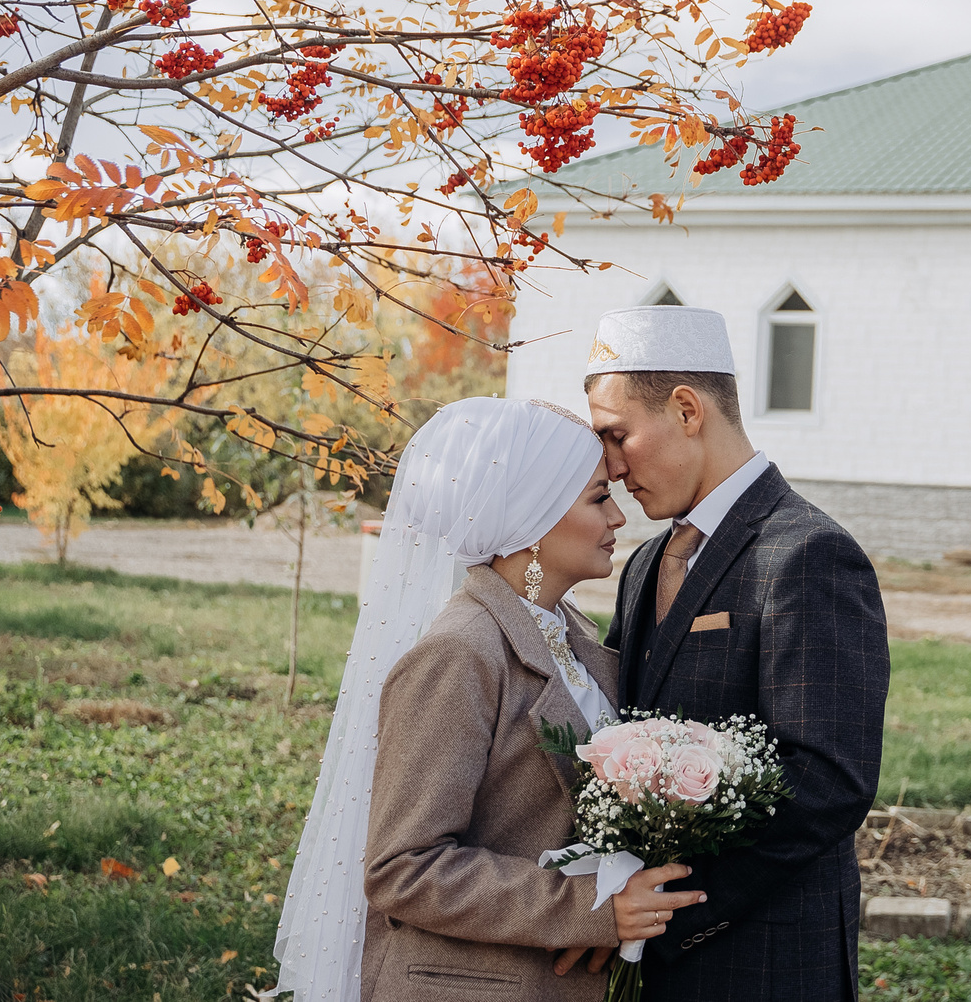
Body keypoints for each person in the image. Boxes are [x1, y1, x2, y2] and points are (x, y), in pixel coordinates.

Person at [274, 397, 705, 1001]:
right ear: (532, 518)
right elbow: (403, 867)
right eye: (598, 499)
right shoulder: (460, 654)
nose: (617, 518)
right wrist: (588, 906)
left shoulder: (572, 637)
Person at [584, 305, 889, 1002]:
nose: (612, 466)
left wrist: (669, 910)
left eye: (618, 434)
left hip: (763, 959)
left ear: (687, 409)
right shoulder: (647, 562)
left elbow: (826, 781)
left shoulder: (807, 553)